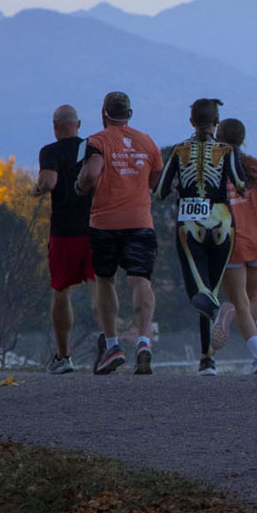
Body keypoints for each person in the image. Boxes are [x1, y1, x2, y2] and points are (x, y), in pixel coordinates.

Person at [154, 98, 257, 376]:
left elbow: (159, 192)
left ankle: (207, 360)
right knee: (213, 290)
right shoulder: (226, 151)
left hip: (190, 223)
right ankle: (211, 349)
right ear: (216, 122)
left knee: (201, 289)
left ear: (191, 122)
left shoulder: (180, 152)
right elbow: (242, 187)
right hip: (222, 223)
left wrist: (182, 186)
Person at [76, 91, 164, 375]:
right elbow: (155, 179)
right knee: (141, 280)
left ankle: (112, 345)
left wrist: (80, 187)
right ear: (129, 114)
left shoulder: (97, 141)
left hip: (105, 223)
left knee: (105, 281)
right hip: (140, 221)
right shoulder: (147, 141)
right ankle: (143, 342)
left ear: (103, 114)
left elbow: (90, 175)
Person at [208, 118, 257, 366]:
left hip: (230, 243)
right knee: (253, 295)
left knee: (239, 303)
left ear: (218, 137)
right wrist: (254, 194)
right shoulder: (254, 166)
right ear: (243, 138)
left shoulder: (213, 167)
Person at [32, 104, 93, 375]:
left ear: (54, 126)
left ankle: (64, 356)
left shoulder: (51, 151)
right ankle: (110, 345)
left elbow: (49, 182)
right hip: (96, 227)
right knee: (102, 286)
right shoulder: (93, 147)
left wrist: (36, 189)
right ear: (78, 124)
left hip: (64, 231)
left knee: (61, 290)